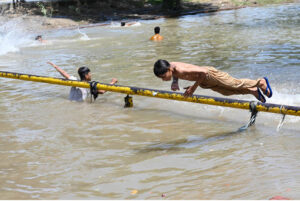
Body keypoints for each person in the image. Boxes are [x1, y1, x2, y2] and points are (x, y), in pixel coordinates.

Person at [153, 59, 273, 103]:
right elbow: (174, 72)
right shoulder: (171, 67)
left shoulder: (180, 69)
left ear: (169, 69)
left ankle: (260, 82)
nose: (163, 79)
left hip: (209, 75)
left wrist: (193, 88)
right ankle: (253, 91)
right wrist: (175, 82)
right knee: (227, 92)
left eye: (164, 76)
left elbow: (204, 72)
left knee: (234, 84)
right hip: (203, 81)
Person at [47, 62, 118, 102]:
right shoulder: (90, 85)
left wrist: (55, 66)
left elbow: (64, 73)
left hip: (71, 104)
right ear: (86, 75)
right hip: (80, 106)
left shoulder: (74, 81)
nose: (91, 75)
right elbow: (102, 91)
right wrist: (112, 82)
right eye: (90, 74)